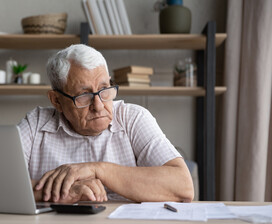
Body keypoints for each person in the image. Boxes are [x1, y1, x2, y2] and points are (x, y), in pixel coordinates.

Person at [18, 44, 194, 203]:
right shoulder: (36, 123)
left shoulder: (133, 118)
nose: (99, 105)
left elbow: (183, 186)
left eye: (104, 90)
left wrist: (99, 170)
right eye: (84, 95)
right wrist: (66, 192)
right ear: (56, 101)